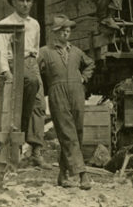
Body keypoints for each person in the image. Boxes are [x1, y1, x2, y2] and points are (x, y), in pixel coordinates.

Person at [0, 0, 50, 169]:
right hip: (14, 63)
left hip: (31, 63)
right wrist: (5, 71)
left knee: (39, 106)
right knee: (15, 105)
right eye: (21, 1)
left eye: (28, 1)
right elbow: (1, 50)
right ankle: (14, 149)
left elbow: (35, 47)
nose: (25, 4)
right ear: (14, 3)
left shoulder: (34, 24)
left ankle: (36, 151)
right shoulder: (6, 24)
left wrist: (35, 64)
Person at [38, 14, 95, 189]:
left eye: (68, 29)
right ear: (55, 32)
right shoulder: (45, 52)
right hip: (57, 94)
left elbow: (91, 64)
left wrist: (84, 78)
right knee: (68, 133)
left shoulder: (77, 52)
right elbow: (33, 70)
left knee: (76, 133)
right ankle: (83, 175)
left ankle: (63, 175)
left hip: (77, 92)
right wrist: (40, 88)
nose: (66, 32)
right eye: (62, 30)